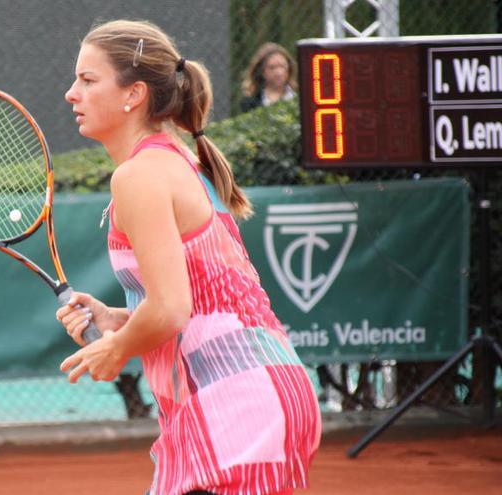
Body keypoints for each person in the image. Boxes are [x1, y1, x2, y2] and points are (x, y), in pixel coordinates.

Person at [56, 20, 321, 495]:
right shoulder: (178, 160)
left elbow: (171, 309)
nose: (71, 93)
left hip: (236, 404)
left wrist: (115, 349)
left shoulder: (139, 175)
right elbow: (195, 300)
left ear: (133, 94)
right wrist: (118, 319)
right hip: (256, 393)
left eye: (88, 80)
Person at [239, 42, 298, 114]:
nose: (279, 73)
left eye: (282, 66)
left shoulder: (300, 98)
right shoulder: (251, 103)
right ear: (262, 71)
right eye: (272, 68)